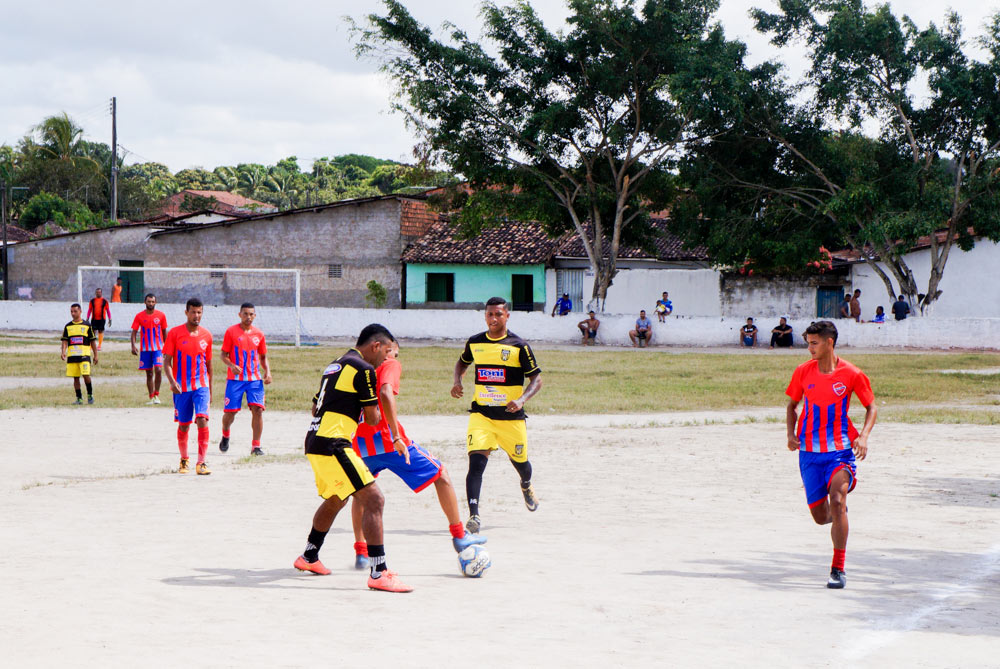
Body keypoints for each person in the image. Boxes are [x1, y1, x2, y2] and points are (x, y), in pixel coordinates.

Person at [347, 339, 487, 567]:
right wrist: (396, 436)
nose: (395, 357)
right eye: (395, 352)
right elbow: (385, 391)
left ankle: (362, 554)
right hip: (389, 442)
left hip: (360, 444)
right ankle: (459, 536)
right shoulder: (389, 364)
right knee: (441, 474)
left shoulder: (358, 367)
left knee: (362, 494)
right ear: (387, 348)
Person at [294, 324, 412, 593]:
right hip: (334, 443)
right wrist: (373, 411)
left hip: (315, 439)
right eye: (386, 352)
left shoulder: (335, 365)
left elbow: (315, 407)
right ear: (376, 346)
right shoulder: (364, 368)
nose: (385, 359)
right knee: (375, 499)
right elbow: (372, 418)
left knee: (338, 497)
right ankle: (379, 572)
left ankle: (309, 556)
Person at [785, 320, 877, 589]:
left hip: (840, 452)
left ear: (829, 342)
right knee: (820, 516)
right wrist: (790, 434)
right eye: (808, 343)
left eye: (814, 343)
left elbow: (871, 407)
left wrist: (863, 436)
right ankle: (839, 515)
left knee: (836, 500)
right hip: (809, 454)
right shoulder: (802, 371)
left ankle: (838, 569)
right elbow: (792, 406)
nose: (809, 348)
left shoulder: (852, 373)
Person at [451, 297, 542, 535]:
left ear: (507, 316)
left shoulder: (519, 346)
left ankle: (526, 485)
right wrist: (457, 381)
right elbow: (461, 363)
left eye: (498, 314)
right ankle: (474, 515)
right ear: (485, 316)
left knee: (522, 465)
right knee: (476, 465)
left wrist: (521, 400)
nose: (493, 319)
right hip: (482, 415)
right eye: (490, 314)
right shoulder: (475, 342)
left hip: (511, 419)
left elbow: (537, 380)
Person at [162, 298, 213, 476]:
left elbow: (209, 365)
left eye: (199, 312)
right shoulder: (175, 333)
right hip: (181, 388)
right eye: (193, 312)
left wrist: (210, 390)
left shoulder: (207, 335)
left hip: (201, 386)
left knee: (202, 419)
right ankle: (184, 459)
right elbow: (166, 362)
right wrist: (172, 381)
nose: (196, 315)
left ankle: (201, 462)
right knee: (184, 425)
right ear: (186, 312)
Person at [219, 303, 272, 456]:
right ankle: (225, 434)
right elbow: (223, 355)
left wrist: (267, 372)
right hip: (235, 380)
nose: (248, 317)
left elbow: (263, 357)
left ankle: (256, 446)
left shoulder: (259, 334)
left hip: (254, 380)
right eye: (245, 314)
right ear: (240, 315)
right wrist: (231, 365)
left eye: (251, 314)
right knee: (231, 413)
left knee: (258, 410)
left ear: (254, 316)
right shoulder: (231, 332)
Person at [130, 294, 168, 405]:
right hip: (145, 349)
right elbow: (134, 332)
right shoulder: (139, 316)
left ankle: (157, 394)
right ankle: (151, 397)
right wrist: (133, 345)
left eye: (152, 301)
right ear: (145, 302)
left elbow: (164, 332)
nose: (150, 303)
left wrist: (167, 347)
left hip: (158, 348)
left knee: (159, 369)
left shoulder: (161, 315)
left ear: (155, 302)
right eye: (149, 301)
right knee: (149, 373)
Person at [61, 303, 98, 405]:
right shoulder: (68, 326)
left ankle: (90, 395)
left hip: (84, 355)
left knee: (86, 375)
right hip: (72, 356)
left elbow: (92, 341)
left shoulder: (87, 325)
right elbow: (65, 340)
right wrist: (63, 351)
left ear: (80, 312)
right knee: (75, 377)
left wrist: (95, 355)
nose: (73, 313)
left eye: (75, 311)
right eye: (71, 311)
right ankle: (79, 398)